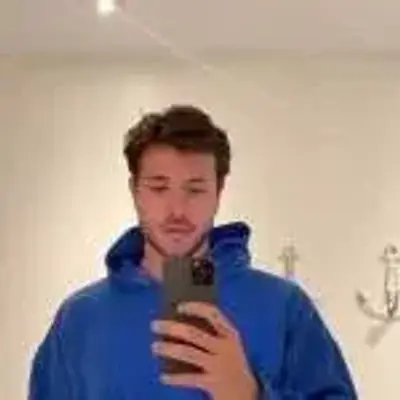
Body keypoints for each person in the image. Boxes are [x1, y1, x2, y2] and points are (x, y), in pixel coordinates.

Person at [29, 104, 358, 399]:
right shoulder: (80, 318)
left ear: (219, 192)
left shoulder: (283, 306)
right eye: (159, 188)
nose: (177, 210)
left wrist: (249, 395)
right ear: (135, 191)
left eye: (195, 190)